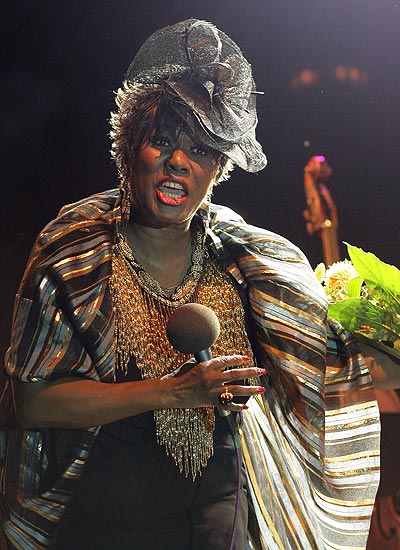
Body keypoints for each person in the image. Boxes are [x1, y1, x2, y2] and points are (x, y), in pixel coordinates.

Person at [0, 19, 399, 550]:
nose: (180, 162)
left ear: (219, 169)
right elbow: (33, 403)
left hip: (222, 516)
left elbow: (319, 369)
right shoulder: (75, 250)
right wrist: (173, 392)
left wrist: (381, 358)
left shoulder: (248, 258)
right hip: (109, 521)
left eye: (204, 151)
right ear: (128, 148)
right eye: (162, 142)